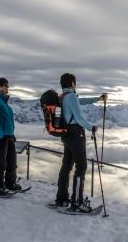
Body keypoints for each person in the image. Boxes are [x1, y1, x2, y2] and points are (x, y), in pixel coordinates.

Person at [54, 73, 107, 212]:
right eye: (75, 82)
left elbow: (80, 101)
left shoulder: (63, 97)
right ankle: (77, 203)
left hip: (66, 134)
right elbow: (79, 117)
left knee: (67, 165)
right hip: (76, 134)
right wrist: (92, 127)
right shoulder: (71, 97)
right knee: (81, 166)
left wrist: (97, 98)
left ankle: (62, 199)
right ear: (72, 83)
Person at [0, 77, 20, 195]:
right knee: (1, 162)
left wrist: (11, 134)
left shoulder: (3, 101)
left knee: (12, 161)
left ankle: (10, 183)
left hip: (8, 135)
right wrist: (1, 135)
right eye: (6, 85)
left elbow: (8, 121)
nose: (8, 88)